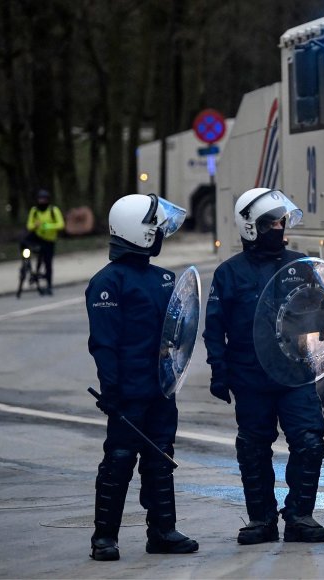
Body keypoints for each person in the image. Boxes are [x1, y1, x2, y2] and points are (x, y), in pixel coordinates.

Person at [203, 188, 324, 545]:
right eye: (269, 223)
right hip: (250, 375)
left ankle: (300, 516)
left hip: (294, 373)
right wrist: (219, 370)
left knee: (309, 442)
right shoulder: (229, 273)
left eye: (281, 221)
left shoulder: (301, 265)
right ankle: (261, 519)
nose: (278, 228)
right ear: (250, 227)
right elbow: (214, 327)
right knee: (253, 447)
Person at [85, 193, 198, 561]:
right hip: (128, 393)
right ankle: (104, 538)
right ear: (138, 231)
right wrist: (111, 389)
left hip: (162, 390)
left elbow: (179, 333)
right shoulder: (107, 282)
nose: (160, 233)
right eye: (154, 227)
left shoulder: (165, 278)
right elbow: (104, 342)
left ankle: (162, 531)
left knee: (161, 459)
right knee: (118, 460)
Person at [25, 189, 65, 295]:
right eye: (40, 199)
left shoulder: (53, 210)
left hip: (49, 240)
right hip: (38, 237)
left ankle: (49, 285)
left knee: (48, 263)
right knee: (24, 241)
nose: (42, 202)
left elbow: (61, 224)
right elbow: (29, 226)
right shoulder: (34, 211)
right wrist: (35, 226)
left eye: (44, 200)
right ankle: (26, 264)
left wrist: (48, 226)